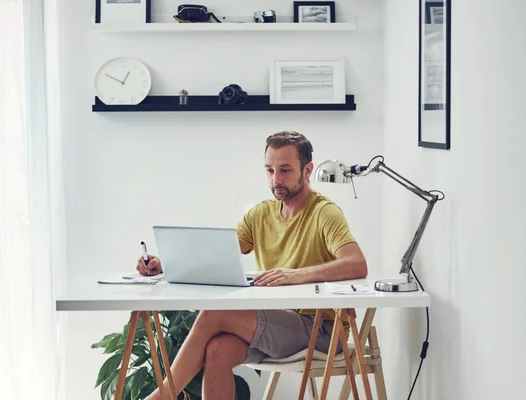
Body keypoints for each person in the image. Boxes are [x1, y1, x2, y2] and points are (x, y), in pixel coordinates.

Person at [138, 131, 368, 400]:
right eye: (269, 170)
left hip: (321, 331)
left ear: (307, 170)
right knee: (218, 350)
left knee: (216, 313)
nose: (276, 180)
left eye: (284, 170)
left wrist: (295, 275)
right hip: (277, 324)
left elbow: (357, 264)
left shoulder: (324, 213)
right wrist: (162, 263)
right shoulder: (260, 214)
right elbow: (215, 254)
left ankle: (163, 396)